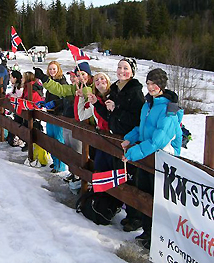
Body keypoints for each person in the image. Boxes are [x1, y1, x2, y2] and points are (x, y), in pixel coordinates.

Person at [121, 68, 183, 249]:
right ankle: (148, 232)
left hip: (162, 159)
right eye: (148, 83)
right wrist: (130, 138)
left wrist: (132, 153)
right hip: (147, 157)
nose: (151, 87)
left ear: (162, 86)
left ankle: (158, 237)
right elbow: (142, 128)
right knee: (145, 193)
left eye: (155, 84)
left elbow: (158, 140)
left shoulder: (168, 109)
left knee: (157, 197)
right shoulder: (148, 104)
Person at [92, 57, 145, 232]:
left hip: (130, 139)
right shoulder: (114, 89)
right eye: (119, 67)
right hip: (115, 139)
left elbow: (136, 119)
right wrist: (98, 106)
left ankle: (135, 217)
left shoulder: (135, 91)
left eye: (126, 68)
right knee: (118, 175)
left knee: (131, 178)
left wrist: (116, 110)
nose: (122, 71)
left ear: (132, 72)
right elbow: (109, 116)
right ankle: (117, 206)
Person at [34, 62, 93, 181]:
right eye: (78, 74)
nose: (80, 77)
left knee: (80, 152)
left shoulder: (91, 88)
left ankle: (81, 178)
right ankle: (74, 173)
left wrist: (83, 92)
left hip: (85, 127)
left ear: (89, 75)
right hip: (70, 122)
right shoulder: (74, 88)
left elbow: (90, 93)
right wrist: (44, 78)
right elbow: (59, 89)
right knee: (69, 149)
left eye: (83, 74)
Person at [75, 72, 113, 172]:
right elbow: (81, 116)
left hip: (114, 140)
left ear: (108, 81)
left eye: (102, 78)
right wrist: (81, 98)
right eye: (96, 80)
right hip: (101, 138)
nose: (99, 81)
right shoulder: (95, 102)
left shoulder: (115, 96)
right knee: (99, 166)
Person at [41, 61, 66, 173]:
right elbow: (48, 97)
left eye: (54, 69)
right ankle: (55, 161)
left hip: (59, 115)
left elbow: (65, 99)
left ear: (58, 69)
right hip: (50, 114)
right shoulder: (49, 81)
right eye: (50, 69)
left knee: (58, 139)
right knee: (50, 137)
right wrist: (44, 102)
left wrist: (55, 103)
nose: (52, 71)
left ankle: (61, 165)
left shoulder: (62, 82)